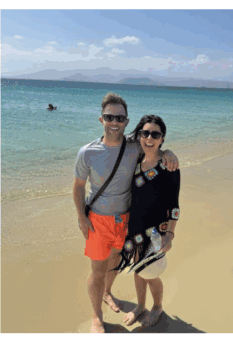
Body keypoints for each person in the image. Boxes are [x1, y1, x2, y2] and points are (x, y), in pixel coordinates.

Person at [73, 92, 179, 333]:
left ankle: (110, 294)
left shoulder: (134, 147)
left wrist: (168, 152)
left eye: (120, 118)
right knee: (97, 270)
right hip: (98, 220)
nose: (114, 122)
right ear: (101, 119)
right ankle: (97, 317)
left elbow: (153, 148)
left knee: (118, 263)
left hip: (128, 221)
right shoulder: (87, 152)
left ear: (127, 122)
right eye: (109, 117)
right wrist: (81, 217)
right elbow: (78, 187)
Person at [116, 115, 180, 327]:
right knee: (137, 268)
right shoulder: (136, 161)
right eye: (145, 133)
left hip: (156, 232)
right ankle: (140, 306)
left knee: (151, 273)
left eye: (155, 134)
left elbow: (174, 206)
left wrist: (169, 234)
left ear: (162, 138)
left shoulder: (169, 166)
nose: (149, 137)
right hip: (134, 228)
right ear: (140, 136)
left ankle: (157, 307)